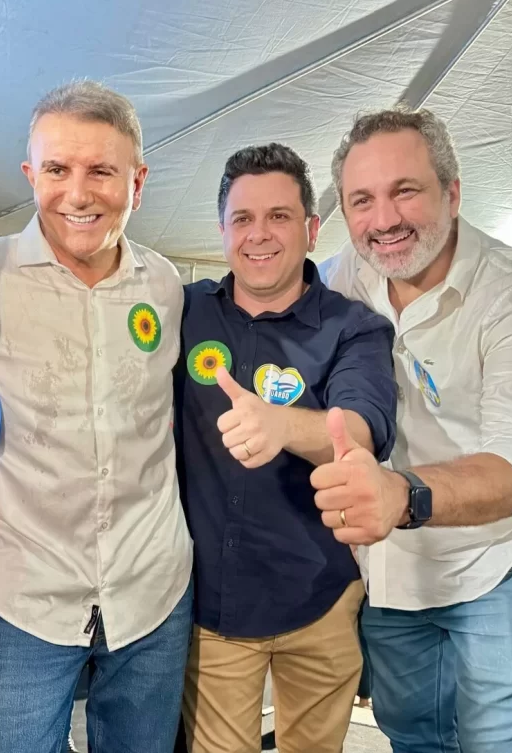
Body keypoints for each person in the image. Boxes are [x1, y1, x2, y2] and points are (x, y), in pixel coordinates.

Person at [318, 107, 512, 753]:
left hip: (505, 557)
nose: (384, 220)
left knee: (499, 745)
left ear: (452, 192)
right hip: (395, 566)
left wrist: (399, 493)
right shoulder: (341, 278)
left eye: (405, 190)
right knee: (413, 739)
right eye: (362, 200)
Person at [0, 80, 192, 753]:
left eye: (101, 171)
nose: (78, 193)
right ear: (30, 175)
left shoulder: (166, 285)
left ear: (137, 182)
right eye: (57, 169)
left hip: (154, 588)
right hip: (22, 590)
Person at [175, 143, 396, 753]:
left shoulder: (353, 327)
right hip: (212, 610)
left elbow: (364, 428)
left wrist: (284, 427)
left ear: (310, 228)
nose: (259, 235)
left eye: (278, 216)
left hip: (319, 599)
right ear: (222, 231)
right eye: (242, 219)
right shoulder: (182, 312)